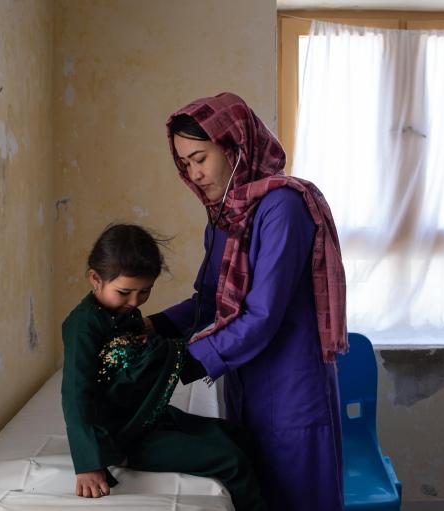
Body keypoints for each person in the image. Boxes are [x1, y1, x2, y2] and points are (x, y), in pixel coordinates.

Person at [146, 93, 348, 510]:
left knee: (297, 498)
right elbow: (209, 300)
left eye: (200, 158)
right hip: (246, 385)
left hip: (292, 389)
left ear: (235, 146)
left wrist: (176, 366)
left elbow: (261, 315)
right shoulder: (226, 218)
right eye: (185, 164)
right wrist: (151, 328)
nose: (194, 174)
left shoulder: (283, 209)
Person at [60, 223, 266, 510]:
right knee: (232, 460)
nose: (134, 302)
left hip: (148, 417)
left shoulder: (122, 313)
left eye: (144, 292)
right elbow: (75, 394)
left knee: (238, 437)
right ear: (95, 278)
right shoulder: (82, 327)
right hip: (124, 436)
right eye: (125, 292)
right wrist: (88, 464)